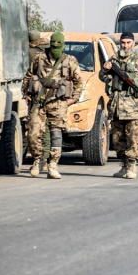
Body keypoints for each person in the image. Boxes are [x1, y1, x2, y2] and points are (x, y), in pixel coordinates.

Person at [22, 32, 83, 178]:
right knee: (33, 133)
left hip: (59, 103)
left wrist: (73, 99)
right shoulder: (39, 58)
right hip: (39, 101)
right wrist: (25, 95)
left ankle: (53, 166)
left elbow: (79, 82)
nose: (56, 46)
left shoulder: (70, 60)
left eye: (58, 43)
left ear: (62, 44)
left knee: (56, 135)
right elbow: (28, 76)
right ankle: (37, 160)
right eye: (53, 42)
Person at [100, 31, 138, 178]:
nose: (125, 46)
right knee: (118, 140)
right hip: (117, 107)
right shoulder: (113, 60)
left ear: (133, 43)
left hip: (135, 106)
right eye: (123, 43)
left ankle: (132, 167)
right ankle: (124, 166)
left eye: (128, 43)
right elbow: (101, 76)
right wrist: (105, 70)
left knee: (133, 138)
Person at [25, 30, 51, 169]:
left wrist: (25, 93)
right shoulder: (49, 49)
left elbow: (28, 74)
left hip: (37, 94)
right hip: (52, 95)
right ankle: (45, 160)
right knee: (46, 129)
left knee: (34, 128)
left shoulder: (30, 52)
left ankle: (41, 159)